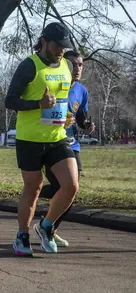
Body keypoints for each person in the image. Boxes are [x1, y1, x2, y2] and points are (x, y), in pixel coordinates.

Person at [5, 22, 80, 256]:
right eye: (58, 46)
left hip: (57, 137)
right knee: (33, 188)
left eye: (65, 47)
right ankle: (22, 236)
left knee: (71, 186)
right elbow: (10, 101)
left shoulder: (66, 66)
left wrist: (67, 115)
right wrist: (38, 104)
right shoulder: (29, 66)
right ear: (45, 41)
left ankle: (46, 227)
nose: (61, 51)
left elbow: (62, 99)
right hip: (30, 139)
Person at [40, 50, 95, 247]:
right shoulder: (53, 84)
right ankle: (35, 195)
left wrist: (87, 124)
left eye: (80, 65)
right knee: (61, 189)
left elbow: (81, 117)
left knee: (71, 190)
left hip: (73, 146)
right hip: (52, 143)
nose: (77, 69)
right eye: (73, 64)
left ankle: (49, 228)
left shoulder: (81, 91)